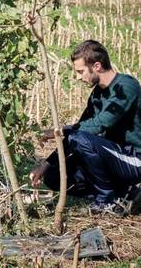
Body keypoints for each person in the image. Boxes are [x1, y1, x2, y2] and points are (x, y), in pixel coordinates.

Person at [30, 40, 141, 215]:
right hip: (113, 156)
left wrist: (59, 131)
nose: (79, 77)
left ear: (96, 66)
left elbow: (99, 125)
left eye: (81, 71)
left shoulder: (126, 87)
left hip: (134, 158)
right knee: (53, 176)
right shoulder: (97, 93)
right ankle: (123, 192)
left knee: (78, 138)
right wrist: (46, 164)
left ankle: (107, 202)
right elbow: (81, 129)